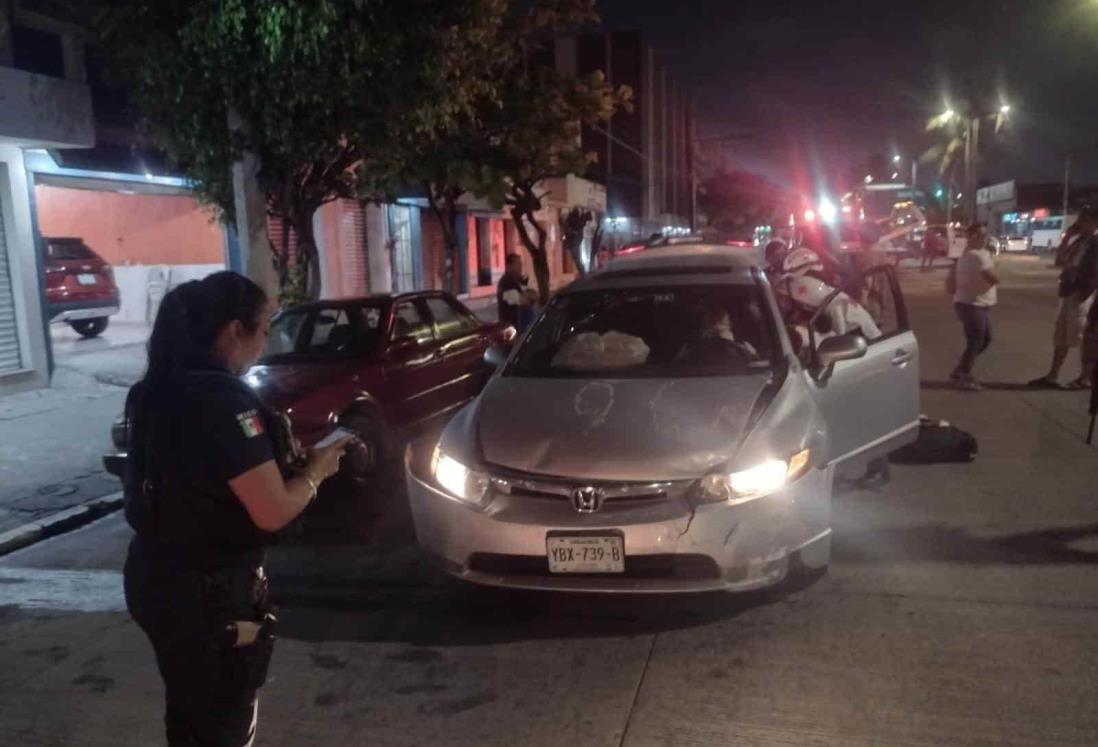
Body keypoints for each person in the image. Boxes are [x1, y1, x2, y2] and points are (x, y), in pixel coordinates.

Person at [123, 272, 352, 746]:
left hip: (154, 576)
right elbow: (272, 510)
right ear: (233, 332)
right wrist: (316, 472)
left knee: (189, 709)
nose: (266, 342)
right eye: (265, 328)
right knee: (223, 721)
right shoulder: (224, 402)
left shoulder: (155, 390)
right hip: (209, 593)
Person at [1028, 208, 1098, 389]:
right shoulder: (1079, 241)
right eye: (1080, 221)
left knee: (1082, 337)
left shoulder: (1096, 243)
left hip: (1082, 295)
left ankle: (1085, 378)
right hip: (1068, 292)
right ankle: (1052, 376)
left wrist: (1086, 293)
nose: (1080, 225)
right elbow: (1059, 260)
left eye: (1085, 221)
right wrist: (1067, 237)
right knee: (1061, 336)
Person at [950, 223, 1000, 390]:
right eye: (979, 235)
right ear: (970, 237)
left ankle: (961, 370)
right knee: (976, 342)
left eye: (985, 235)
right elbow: (995, 278)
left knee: (984, 339)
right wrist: (993, 264)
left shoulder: (967, 253)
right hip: (973, 305)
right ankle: (963, 376)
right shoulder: (978, 256)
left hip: (970, 303)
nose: (983, 238)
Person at [497, 253, 537, 332]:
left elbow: (535, 295)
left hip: (523, 330)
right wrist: (528, 297)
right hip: (512, 333)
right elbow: (523, 301)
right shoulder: (505, 284)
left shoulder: (518, 281)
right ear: (509, 267)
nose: (520, 267)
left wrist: (529, 296)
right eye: (517, 264)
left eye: (520, 264)